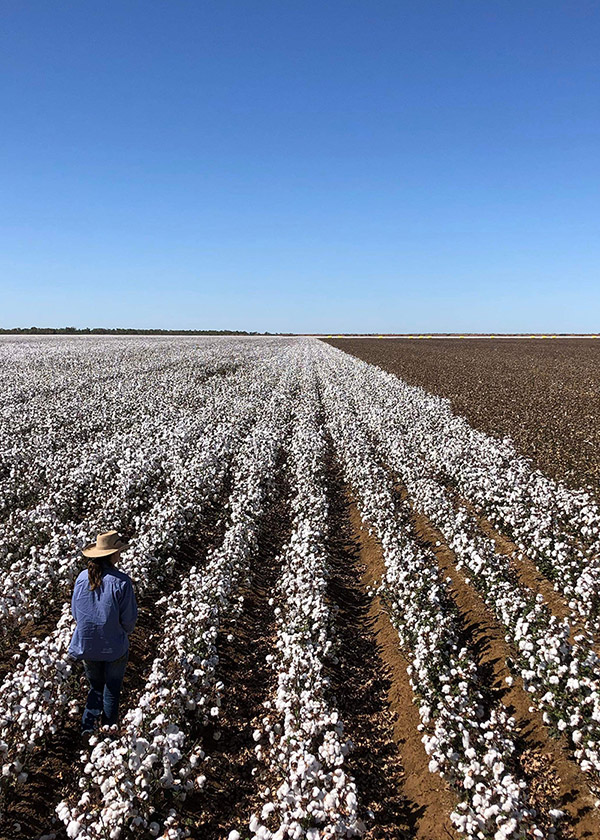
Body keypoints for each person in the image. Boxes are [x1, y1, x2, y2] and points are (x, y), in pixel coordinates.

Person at [69, 530, 138, 735]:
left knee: (96, 687)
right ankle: (108, 733)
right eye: (118, 551)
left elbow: (75, 612)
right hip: (114, 647)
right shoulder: (122, 582)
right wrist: (121, 632)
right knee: (112, 690)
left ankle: (87, 729)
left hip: (87, 645)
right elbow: (129, 620)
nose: (120, 555)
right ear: (112, 554)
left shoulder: (82, 578)